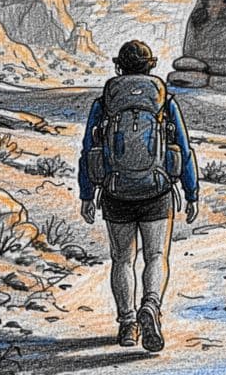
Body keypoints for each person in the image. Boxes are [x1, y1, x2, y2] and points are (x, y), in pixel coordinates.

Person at [78, 40, 198, 353]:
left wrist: (87, 194)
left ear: (119, 66)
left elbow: (87, 150)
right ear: (150, 67)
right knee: (156, 256)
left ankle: (128, 323)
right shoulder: (163, 100)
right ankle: (151, 307)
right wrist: (192, 191)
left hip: (116, 190)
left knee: (122, 258)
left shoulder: (104, 101)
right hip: (157, 189)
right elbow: (183, 150)